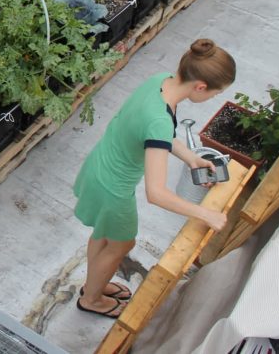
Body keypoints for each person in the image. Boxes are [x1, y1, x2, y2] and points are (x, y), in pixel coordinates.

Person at [72, 39, 234, 318]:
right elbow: (156, 193)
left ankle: (92, 286)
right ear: (200, 87)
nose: (211, 98)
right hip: (114, 190)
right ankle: (91, 300)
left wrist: (190, 157)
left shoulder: (160, 81)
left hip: (98, 168)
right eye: (214, 94)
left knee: (103, 235)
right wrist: (204, 214)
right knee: (121, 243)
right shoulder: (159, 120)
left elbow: (153, 132)